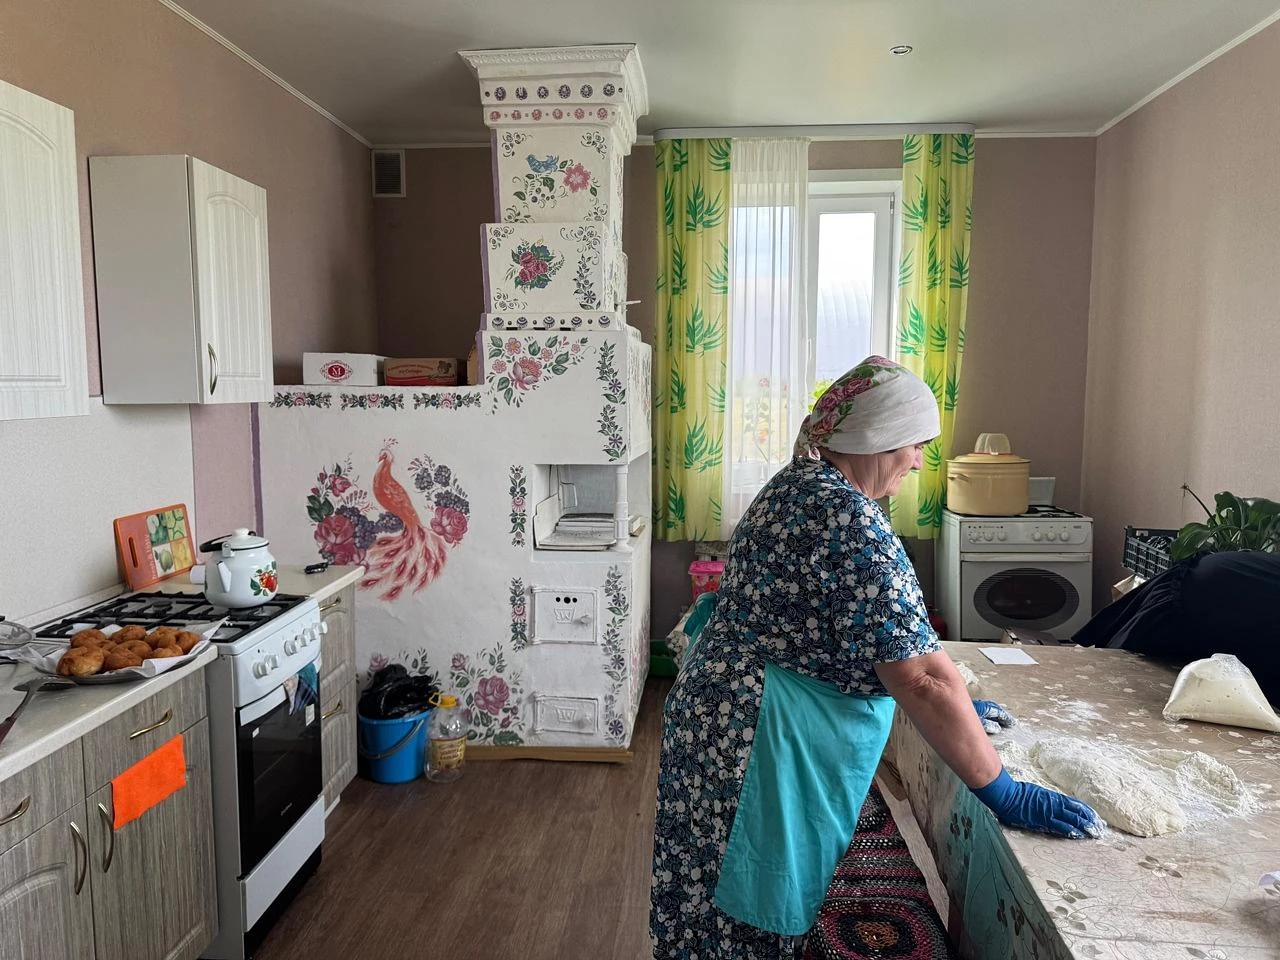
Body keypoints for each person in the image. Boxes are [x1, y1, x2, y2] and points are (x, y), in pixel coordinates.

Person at [650, 357, 1102, 960]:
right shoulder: (851, 522)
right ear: (880, 439)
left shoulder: (799, 483)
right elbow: (922, 678)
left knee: (709, 902)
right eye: (916, 444)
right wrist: (1004, 791)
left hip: (721, 714)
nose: (917, 461)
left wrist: (958, 713)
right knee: (742, 913)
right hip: (754, 741)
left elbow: (844, 636)